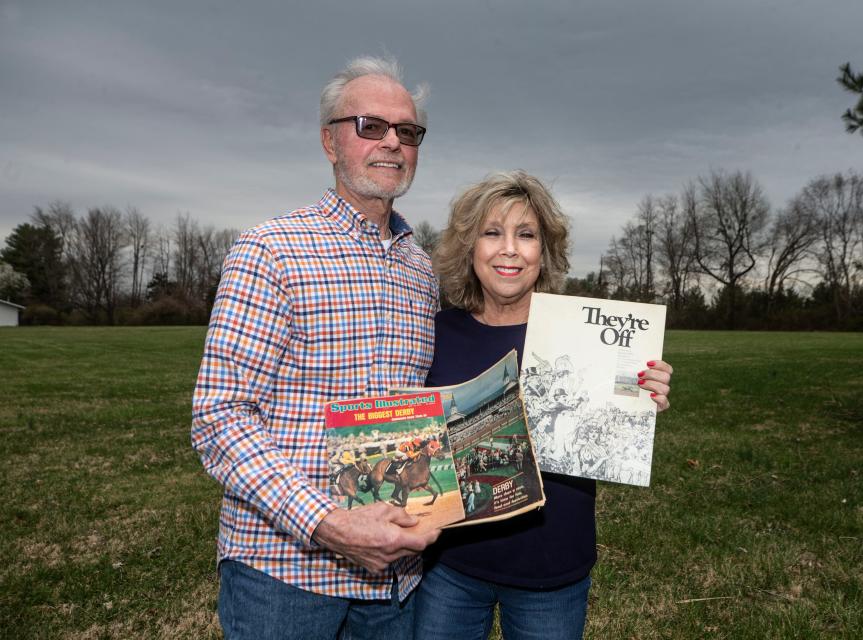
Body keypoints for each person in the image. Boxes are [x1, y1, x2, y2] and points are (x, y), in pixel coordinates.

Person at [191, 56, 441, 640]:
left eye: (407, 131)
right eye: (370, 126)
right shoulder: (271, 249)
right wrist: (327, 522)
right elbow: (219, 416)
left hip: (395, 581)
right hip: (285, 577)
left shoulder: (421, 269)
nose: (392, 143)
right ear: (330, 141)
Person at [413, 171, 673, 640]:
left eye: (526, 235)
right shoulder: (437, 332)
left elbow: (611, 429)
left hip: (551, 570)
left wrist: (642, 395)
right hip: (450, 566)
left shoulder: (586, 334)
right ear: (470, 248)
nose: (509, 249)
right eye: (492, 233)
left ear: (544, 251)